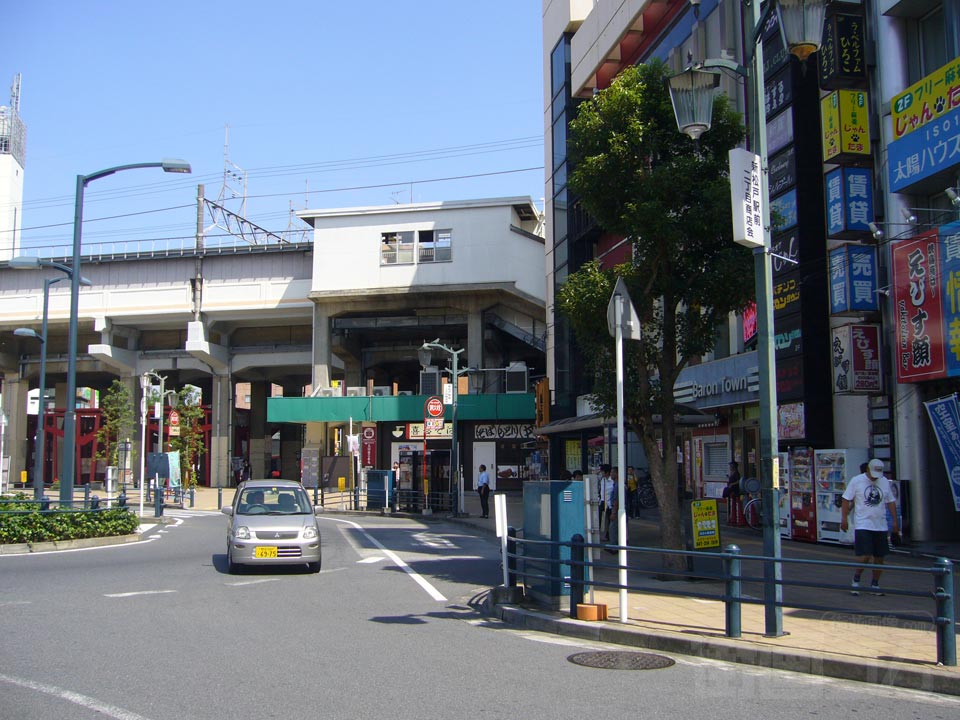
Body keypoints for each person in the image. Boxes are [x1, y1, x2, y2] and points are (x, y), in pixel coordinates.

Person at [841, 458, 900, 596]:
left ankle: (875, 583)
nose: (875, 477)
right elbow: (846, 499)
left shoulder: (884, 481)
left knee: (880, 557)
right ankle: (856, 579)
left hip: (880, 524)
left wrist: (895, 522)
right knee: (865, 555)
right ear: (867, 469)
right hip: (863, 524)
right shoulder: (857, 480)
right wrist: (844, 519)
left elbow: (890, 501)